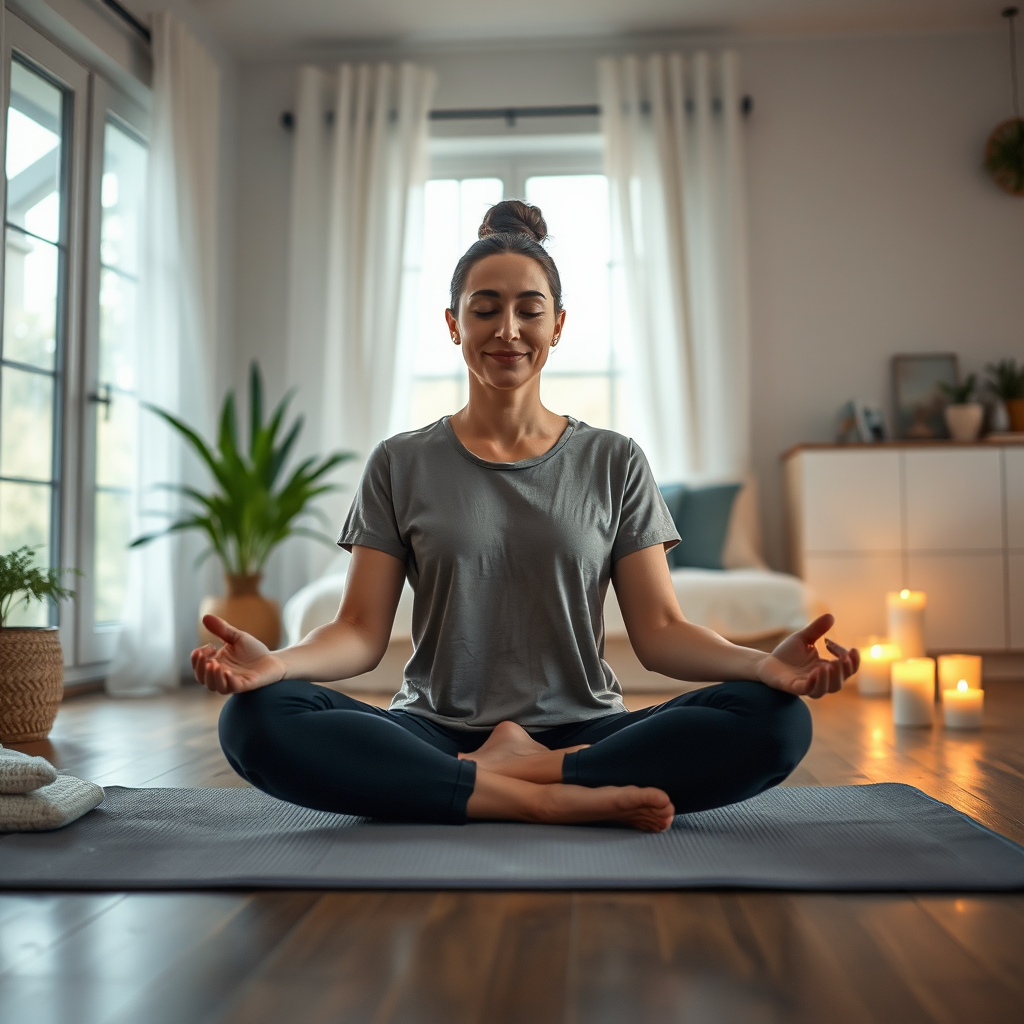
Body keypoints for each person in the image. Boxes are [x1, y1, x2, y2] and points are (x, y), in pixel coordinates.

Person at [194, 200, 859, 832]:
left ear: (557, 325)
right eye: (484, 310)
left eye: (529, 311)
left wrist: (761, 666)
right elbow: (360, 632)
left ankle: (505, 778)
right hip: (435, 729)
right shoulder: (399, 461)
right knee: (255, 719)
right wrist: (276, 664)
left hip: (585, 728)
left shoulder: (614, 459)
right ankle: (542, 800)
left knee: (777, 720)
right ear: (453, 324)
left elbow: (660, 632)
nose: (507, 330)